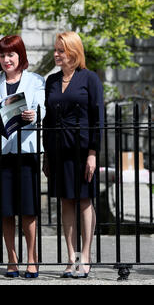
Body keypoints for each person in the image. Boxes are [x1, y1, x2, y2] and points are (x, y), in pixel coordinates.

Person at [0, 35, 45, 279]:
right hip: (0, 152)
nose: (6, 59)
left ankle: (32, 258)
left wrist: (33, 115)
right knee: (6, 209)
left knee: (28, 208)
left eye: (11, 55)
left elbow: (42, 111)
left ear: (20, 57)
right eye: (2, 55)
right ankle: (11, 259)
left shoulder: (36, 81)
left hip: (25, 151)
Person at [42, 32, 104, 279]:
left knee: (85, 200)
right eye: (55, 50)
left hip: (81, 150)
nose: (56, 54)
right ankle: (71, 257)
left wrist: (93, 153)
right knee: (66, 201)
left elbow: (97, 117)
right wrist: (46, 154)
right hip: (58, 150)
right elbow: (47, 120)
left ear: (74, 52)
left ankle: (86, 257)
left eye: (61, 50)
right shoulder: (52, 81)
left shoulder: (90, 79)